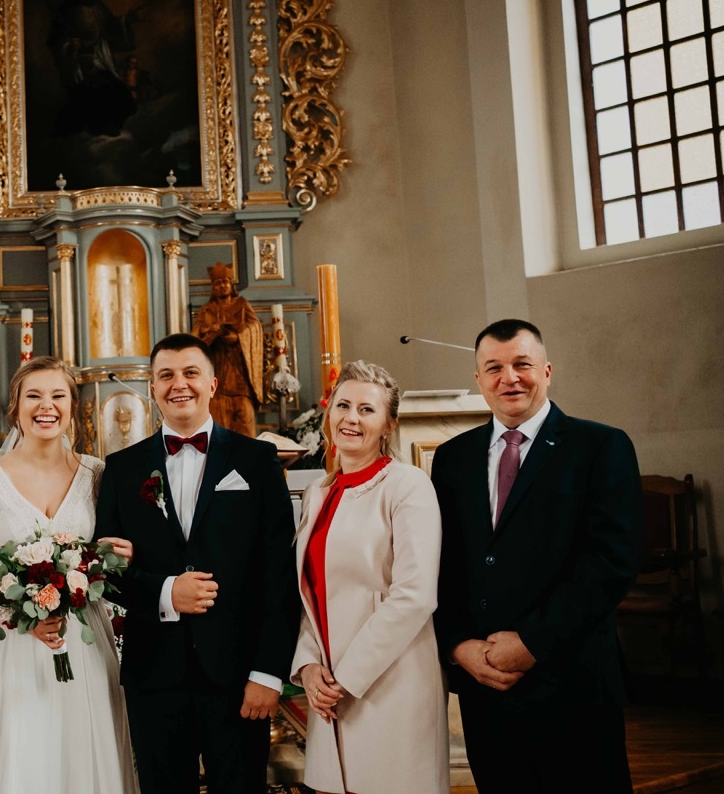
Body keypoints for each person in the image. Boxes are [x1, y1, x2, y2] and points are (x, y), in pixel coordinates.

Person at [432, 319, 642, 793]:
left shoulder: (600, 446)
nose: (509, 378)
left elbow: (611, 561)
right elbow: (442, 565)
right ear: (479, 380)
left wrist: (532, 642)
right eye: (494, 368)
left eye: (522, 364)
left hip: (572, 682)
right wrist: (459, 646)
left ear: (547, 371)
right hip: (486, 687)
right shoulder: (451, 457)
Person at [94, 333, 298, 794]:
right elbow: (105, 570)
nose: (178, 384)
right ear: (152, 387)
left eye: (190, 373)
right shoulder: (122, 468)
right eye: (166, 375)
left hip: (239, 674)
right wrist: (167, 593)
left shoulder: (257, 460)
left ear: (212, 383)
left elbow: (278, 574)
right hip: (154, 676)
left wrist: (268, 673)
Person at [0, 356, 139, 794]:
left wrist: (121, 556)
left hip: (85, 642)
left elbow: (112, 552)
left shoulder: (96, 473)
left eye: (58, 396)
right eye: (33, 396)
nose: (46, 406)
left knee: (84, 752)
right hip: (12, 648)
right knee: (20, 757)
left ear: (72, 406)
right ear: (15, 407)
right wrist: (18, 617)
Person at [291, 360, 448, 794]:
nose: (351, 418)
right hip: (328, 685)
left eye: (367, 409)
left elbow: (415, 595)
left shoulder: (408, 485)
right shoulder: (318, 492)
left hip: (390, 681)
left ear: (388, 424)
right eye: (343, 405)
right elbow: (309, 593)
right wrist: (308, 666)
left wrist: (346, 677)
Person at [191, 263, 264, 437]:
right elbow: (195, 337)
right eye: (218, 283)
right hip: (216, 372)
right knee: (217, 421)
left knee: (244, 418)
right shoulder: (207, 310)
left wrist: (238, 337)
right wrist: (210, 332)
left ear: (231, 285)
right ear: (213, 288)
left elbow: (254, 327)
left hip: (239, 373)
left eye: (225, 282)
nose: (222, 286)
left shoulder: (242, 304)